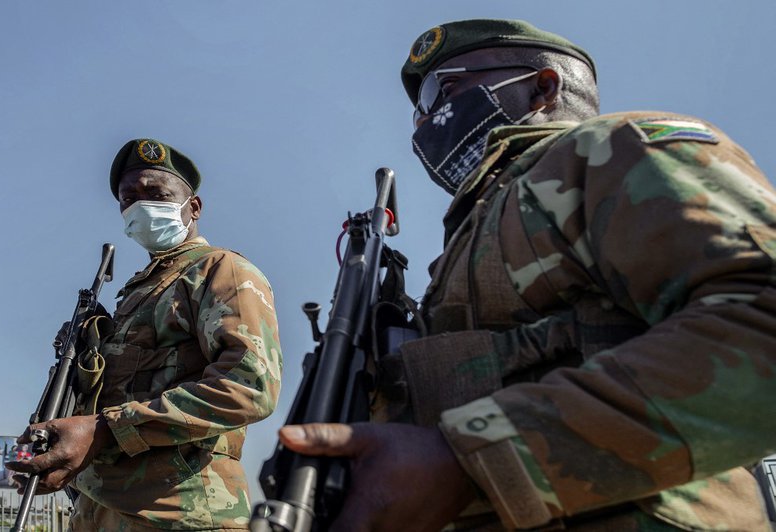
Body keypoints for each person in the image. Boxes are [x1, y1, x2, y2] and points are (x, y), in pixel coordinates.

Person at [277, 19, 776, 531]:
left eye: (441, 91)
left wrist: (474, 458)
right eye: (418, 111)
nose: (424, 123)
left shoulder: (614, 150)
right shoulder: (475, 231)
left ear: (544, 87)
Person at [7, 138, 283, 530]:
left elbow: (249, 385)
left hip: (180, 512)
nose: (140, 205)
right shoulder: (138, 292)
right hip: (100, 509)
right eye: (128, 198)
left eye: (156, 193)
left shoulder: (219, 271)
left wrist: (104, 429)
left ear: (194, 207)